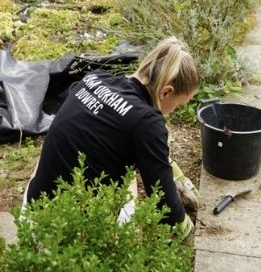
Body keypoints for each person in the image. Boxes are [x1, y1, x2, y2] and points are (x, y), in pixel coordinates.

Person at [26, 37, 200, 239]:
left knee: (129, 157)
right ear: (166, 92)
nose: (174, 110)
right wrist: (185, 229)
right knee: (130, 182)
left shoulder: (95, 78)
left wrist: (175, 175)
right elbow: (164, 201)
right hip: (66, 233)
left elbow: (146, 147)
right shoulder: (147, 122)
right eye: (178, 105)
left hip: (33, 207)